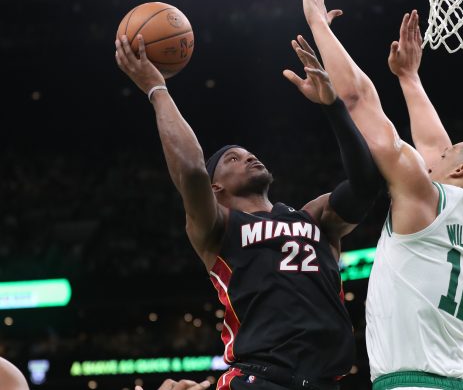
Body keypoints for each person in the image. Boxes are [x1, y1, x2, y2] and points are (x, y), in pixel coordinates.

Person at [114, 31, 381, 390]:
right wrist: (156, 89)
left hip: (326, 382)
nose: (249, 156)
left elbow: (366, 183)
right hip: (260, 378)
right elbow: (192, 169)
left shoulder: (313, 218)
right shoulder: (218, 227)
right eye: (232, 158)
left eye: (248, 152)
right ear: (215, 187)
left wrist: (332, 105)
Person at [301, 0, 463, 390]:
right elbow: (436, 147)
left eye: (449, 155)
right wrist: (409, 78)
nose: (437, 154)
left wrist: (317, 22)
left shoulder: (425, 197)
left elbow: (358, 98)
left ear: (459, 170)